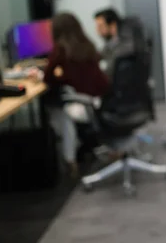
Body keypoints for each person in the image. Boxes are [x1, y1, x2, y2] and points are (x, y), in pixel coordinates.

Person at [31, 13, 110, 176]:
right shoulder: (88, 45)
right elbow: (74, 76)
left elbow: (48, 79)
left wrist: (39, 75)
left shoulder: (61, 50)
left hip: (83, 105)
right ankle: (75, 149)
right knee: (61, 104)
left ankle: (69, 159)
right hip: (100, 101)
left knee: (55, 108)